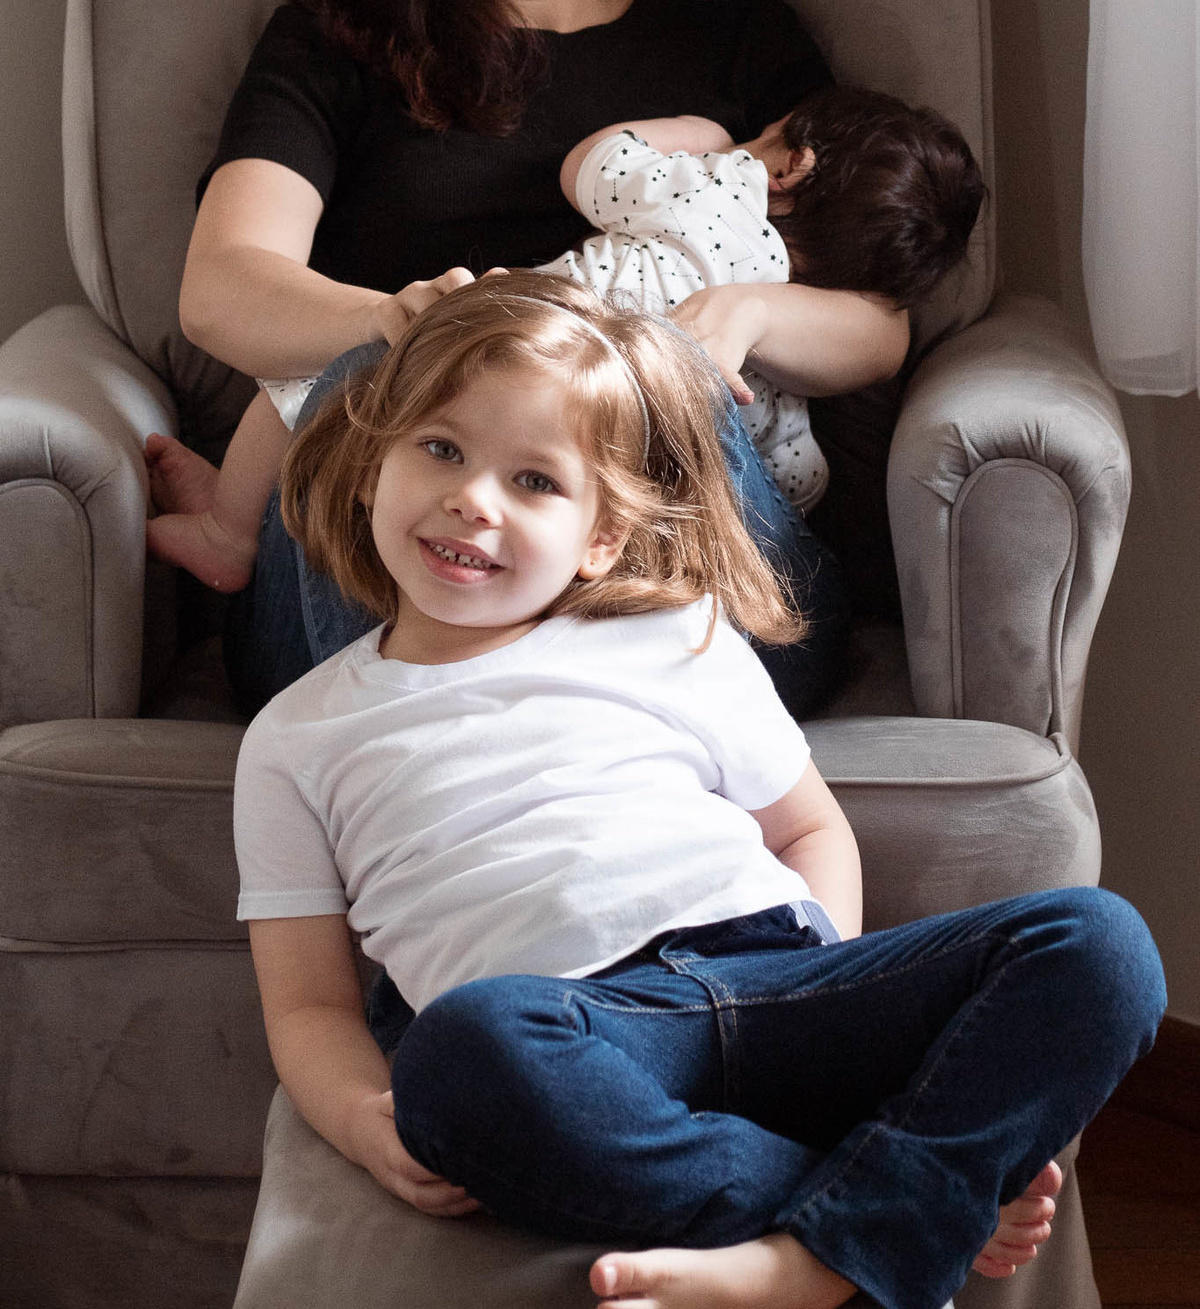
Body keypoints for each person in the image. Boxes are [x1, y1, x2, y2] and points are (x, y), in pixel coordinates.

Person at [234, 272, 1165, 1309]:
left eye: (535, 481)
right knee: (461, 1053)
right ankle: (883, 1219)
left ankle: (819, 1255)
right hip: (575, 1032)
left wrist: (829, 991)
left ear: (601, 536)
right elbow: (311, 1004)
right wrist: (364, 1117)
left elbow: (810, 826)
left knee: (1100, 946)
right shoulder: (296, 736)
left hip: (775, 980)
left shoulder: (673, 635)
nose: (472, 498)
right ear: (373, 466)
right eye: (441, 449)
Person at [149, 0, 911, 716]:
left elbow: (879, 324)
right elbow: (223, 288)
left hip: (679, 552)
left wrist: (742, 317)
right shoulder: (333, 52)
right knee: (387, 387)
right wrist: (404, 325)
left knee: (663, 388)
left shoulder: (741, 49)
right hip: (386, 579)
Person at [147, 83, 982, 595]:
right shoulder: (814, 299)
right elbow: (792, 477)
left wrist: (697, 134)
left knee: (315, 382)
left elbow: (593, 168)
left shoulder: (719, 184)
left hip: (543, 353)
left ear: (791, 166)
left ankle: (228, 529)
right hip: (688, 521)